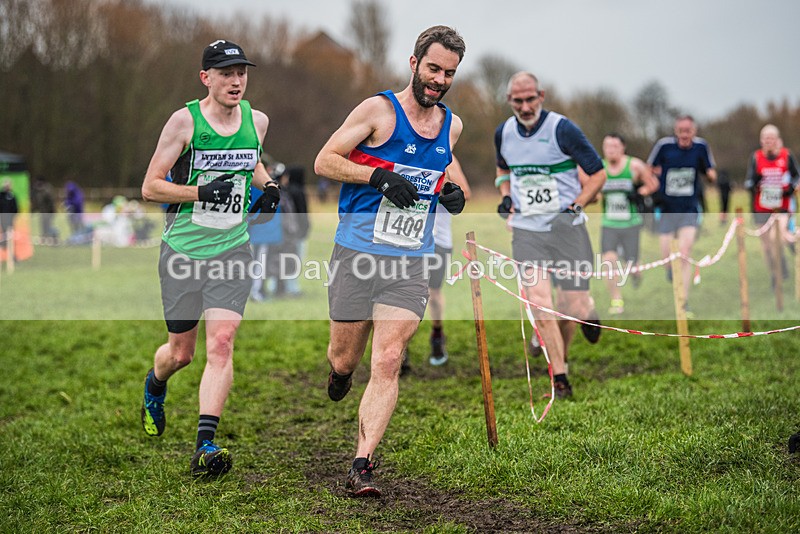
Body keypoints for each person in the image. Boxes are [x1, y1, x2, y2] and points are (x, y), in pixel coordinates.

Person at [314, 25, 466, 497]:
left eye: (449, 73)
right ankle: (340, 373)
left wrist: (448, 192)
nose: (439, 80)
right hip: (357, 254)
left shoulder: (452, 126)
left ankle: (361, 464)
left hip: (410, 260)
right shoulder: (379, 110)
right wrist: (377, 177)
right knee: (346, 356)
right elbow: (324, 161)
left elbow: (429, 177)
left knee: (389, 358)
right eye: (434, 68)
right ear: (414, 63)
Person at [139, 39, 280, 478]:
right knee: (181, 354)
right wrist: (201, 191)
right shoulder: (184, 122)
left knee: (221, 343)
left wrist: (270, 186)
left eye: (241, 72)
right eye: (226, 73)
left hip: (232, 247)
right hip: (183, 250)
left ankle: (205, 446)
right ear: (207, 78)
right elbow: (150, 187)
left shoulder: (257, 121)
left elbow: (252, 163)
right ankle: (155, 383)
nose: (236, 81)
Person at [495, 72, 606, 399]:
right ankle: (559, 377)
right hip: (528, 232)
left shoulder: (563, 129)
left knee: (571, 304)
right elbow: (503, 171)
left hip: (567, 229)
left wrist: (575, 206)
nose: (525, 106)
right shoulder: (503, 133)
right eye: (518, 101)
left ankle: (586, 311)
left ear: (541, 96)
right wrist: (506, 196)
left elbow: (598, 175)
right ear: (509, 101)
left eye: (531, 99)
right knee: (541, 305)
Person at [647, 115, 717, 314]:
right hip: (667, 209)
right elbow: (649, 167)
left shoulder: (701, 147)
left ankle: (683, 302)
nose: (684, 135)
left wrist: (710, 175)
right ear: (676, 131)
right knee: (666, 257)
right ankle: (671, 272)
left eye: (688, 131)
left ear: (693, 131)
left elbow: (711, 171)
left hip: (689, 209)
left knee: (685, 254)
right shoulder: (664, 146)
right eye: (681, 131)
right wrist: (655, 177)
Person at [599, 133, 658, 315]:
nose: (611, 150)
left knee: (633, 267)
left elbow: (653, 184)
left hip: (631, 223)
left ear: (623, 147)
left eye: (615, 146)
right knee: (608, 262)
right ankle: (616, 299)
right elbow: (591, 189)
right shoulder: (599, 168)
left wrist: (640, 192)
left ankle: (635, 274)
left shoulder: (634, 165)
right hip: (609, 223)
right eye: (607, 146)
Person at [427, 155, 471, 366]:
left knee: (433, 293)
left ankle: (437, 333)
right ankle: (400, 347)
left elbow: (466, 193)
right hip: (405, 238)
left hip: (438, 238)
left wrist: (447, 186)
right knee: (401, 292)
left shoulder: (447, 157)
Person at [744, 124, 799, 286]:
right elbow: (748, 181)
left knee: (778, 239)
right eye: (765, 139)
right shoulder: (756, 157)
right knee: (767, 247)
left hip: (781, 206)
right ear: (761, 141)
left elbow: (797, 176)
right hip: (761, 208)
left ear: (777, 140)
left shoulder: (786, 156)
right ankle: (775, 273)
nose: (768, 142)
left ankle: (782, 266)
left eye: (771, 139)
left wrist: (791, 187)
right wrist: (753, 182)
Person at [31, 175, 57, 240]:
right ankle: (44, 237)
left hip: (48, 212)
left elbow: (51, 202)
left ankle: (52, 237)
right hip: (43, 212)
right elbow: (37, 203)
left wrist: (51, 211)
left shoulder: (47, 190)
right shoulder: (38, 190)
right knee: (43, 226)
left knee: (48, 226)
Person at [0, 179, 18, 255]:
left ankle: (12, 255)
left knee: (10, 236)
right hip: (2, 219)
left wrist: (13, 217)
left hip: (10, 220)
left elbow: (15, 208)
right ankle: (4, 249)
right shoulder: (1, 195)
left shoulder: (12, 195)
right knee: (4, 235)